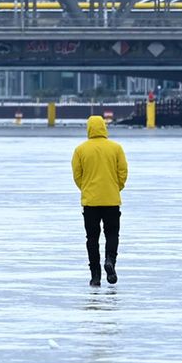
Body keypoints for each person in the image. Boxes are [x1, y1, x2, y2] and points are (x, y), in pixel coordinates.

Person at [72, 115, 128, 286]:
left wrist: (86, 188)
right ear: (104, 127)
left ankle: (95, 275)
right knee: (112, 234)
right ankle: (110, 261)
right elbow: (123, 172)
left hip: (90, 202)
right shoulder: (116, 148)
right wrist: (115, 187)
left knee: (92, 239)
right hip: (111, 200)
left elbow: (77, 175)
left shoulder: (80, 150)